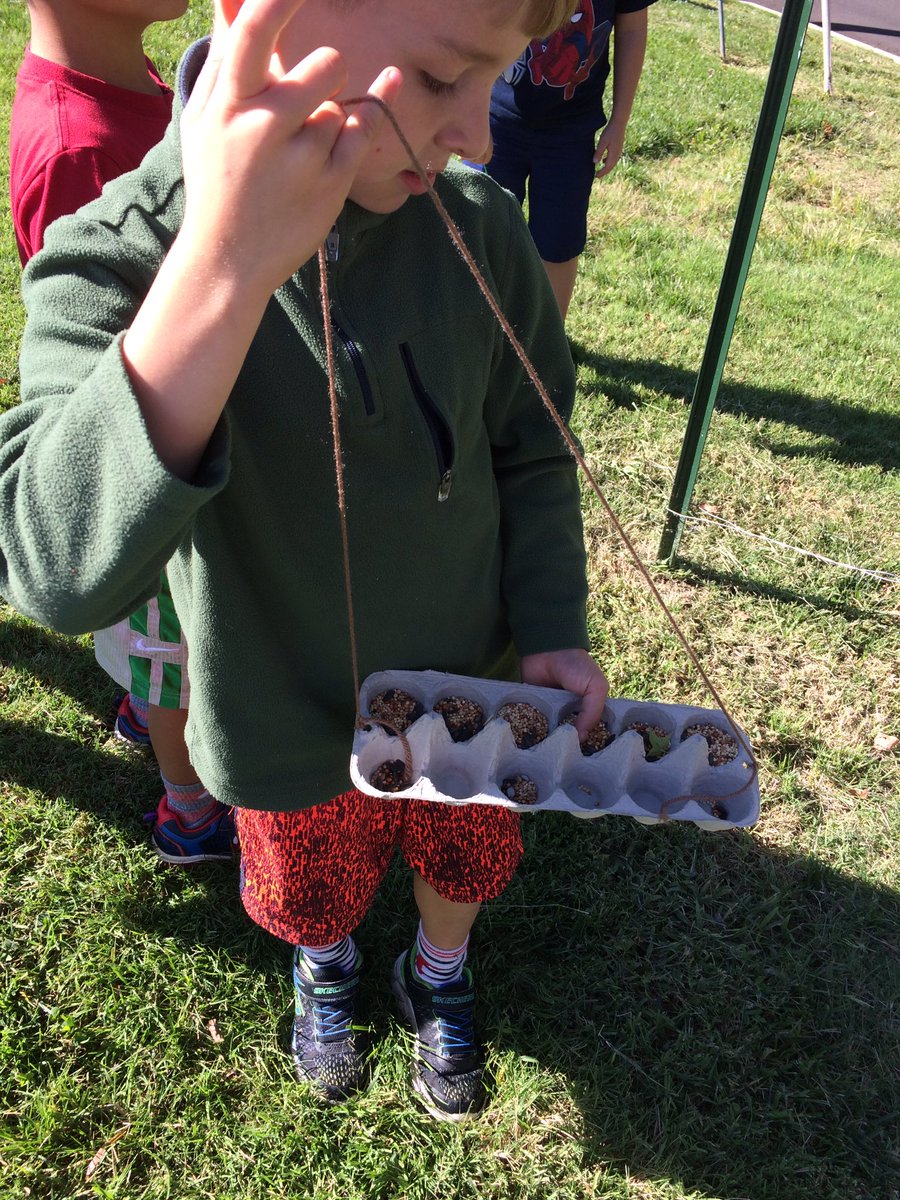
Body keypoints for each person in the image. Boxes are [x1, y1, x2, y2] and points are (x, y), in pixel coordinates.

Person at [0, 0, 609, 1121]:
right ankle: (326, 966)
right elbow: (51, 565)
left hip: (466, 687)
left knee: (462, 859)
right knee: (311, 885)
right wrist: (223, 268)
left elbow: (534, 452)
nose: (479, 129)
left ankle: (437, 968)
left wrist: (555, 626)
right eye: (440, 79)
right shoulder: (124, 254)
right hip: (285, 720)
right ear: (261, 23)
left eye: (496, 80)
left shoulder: (476, 228)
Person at [8, 0, 236, 864]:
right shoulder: (77, 142)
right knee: (166, 634)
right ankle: (190, 811)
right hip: (146, 445)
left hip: (187, 410)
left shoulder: (138, 76)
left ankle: (148, 711)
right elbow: (105, 348)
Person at [486, 0, 656, 318]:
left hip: (570, 136)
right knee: (484, 232)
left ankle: (546, 348)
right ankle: (479, 337)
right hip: (496, 123)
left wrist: (619, 121)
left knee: (557, 244)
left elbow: (633, 29)